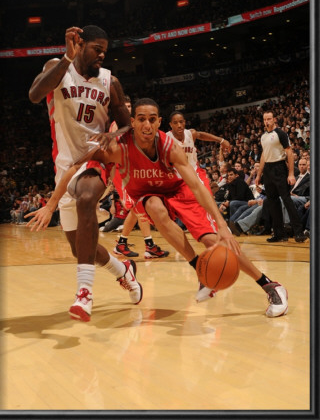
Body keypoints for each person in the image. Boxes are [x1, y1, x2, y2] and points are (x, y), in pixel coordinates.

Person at [28, 98, 289, 318]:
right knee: (152, 206)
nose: (146, 124)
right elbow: (75, 164)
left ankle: (270, 285)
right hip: (150, 195)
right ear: (132, 121)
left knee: (215, 241)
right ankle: (199, 269)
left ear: (159, 122)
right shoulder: (119, 148)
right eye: (140, 118)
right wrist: (51, 205)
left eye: (152, 119)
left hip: (179, 191)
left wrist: (222, 225)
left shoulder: (169, 146)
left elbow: (198, 188)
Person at [27, 25, 143, 322]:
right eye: (96, 49)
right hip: (65, 165)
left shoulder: (110, 81)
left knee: (88, 195)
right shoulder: (58, 68)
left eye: (105, 50)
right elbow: (35, 94)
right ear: (80, 46)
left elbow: (127, 123)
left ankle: (84, 292)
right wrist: (67, 58)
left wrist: (114, 137)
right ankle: (124, 271)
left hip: (96, 159)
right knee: (81, 248)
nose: (102, 55)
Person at [110, 95, 169, 259]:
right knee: (140, 207)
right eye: (125, 106)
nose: (128, 108)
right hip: (122, 173)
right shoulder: (117, 125)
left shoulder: (135, 125)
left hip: (135, 171)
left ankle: (122, 243)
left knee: (137, 210)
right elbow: (114, 154)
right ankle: (148, 246)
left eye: (130, 106)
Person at [255, 111, 307, 243]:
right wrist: (258, 174)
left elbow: (289, 152)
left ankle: (299, 232)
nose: (267, 121)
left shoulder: (281, 134)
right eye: (265, 119)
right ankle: (279, 234)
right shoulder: (263, 136)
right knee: (272, 202)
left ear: (274, 120)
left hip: (279, 168)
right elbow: (263, 156)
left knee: (287, 200)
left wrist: (290, 173)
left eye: (269, 119)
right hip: (267, 169)